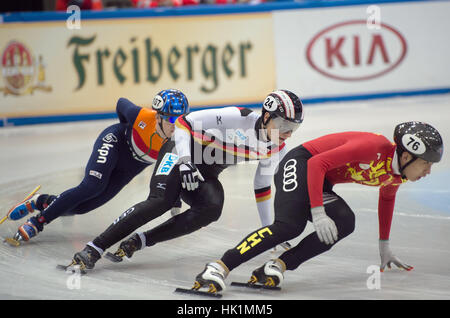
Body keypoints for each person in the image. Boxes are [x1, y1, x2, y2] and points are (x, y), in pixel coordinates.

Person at [64, 89, 304, 270]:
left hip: (203, 174)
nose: (287, 133)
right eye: (283, 124)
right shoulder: (235, 117)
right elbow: (182, 123)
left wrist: (268, 231)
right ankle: (94, 248)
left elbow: (262, 187)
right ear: (266, 116)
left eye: (293, 128)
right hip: (179, 152)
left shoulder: (277, 149)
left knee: (212, 209)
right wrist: (186, 161)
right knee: (160, 201)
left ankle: (141, 240)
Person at [193, 121, 444, 293]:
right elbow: (317, 164)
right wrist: (318, 212)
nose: (428, 171)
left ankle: (277, 266)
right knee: (290, 226)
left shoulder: (396, 175)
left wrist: (384, 246)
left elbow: (387, 199)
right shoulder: (373, 147)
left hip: (320, 180)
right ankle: (219, 266)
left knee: (345, 222)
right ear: (406, 155)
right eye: (426, 164)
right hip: (301, 162)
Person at [7, 89, 189, 244]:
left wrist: (175, 199)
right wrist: (125, 129)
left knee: (82, 207)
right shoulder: (142, 117)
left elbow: (175, 168)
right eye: (171, 121)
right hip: (116, 143)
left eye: (180, 120)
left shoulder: (181, 138)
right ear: (157, 117)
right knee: (92, 185)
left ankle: (40, 201)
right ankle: (37, 222)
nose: (176, 126)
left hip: (129, 168)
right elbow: (121, 103)